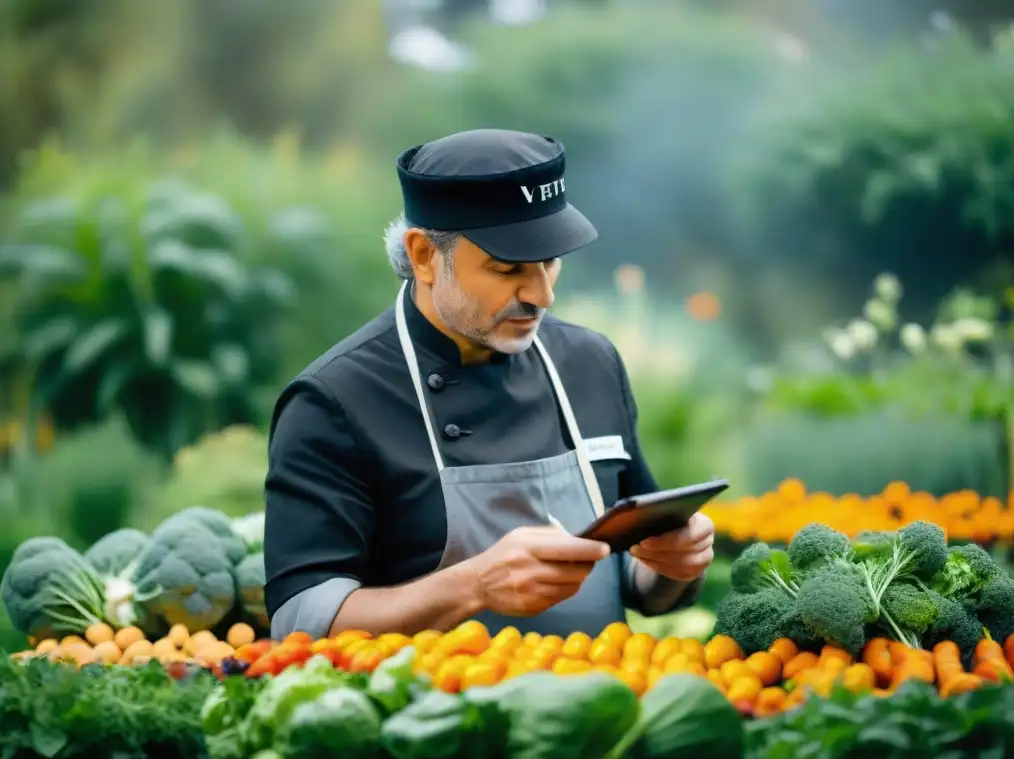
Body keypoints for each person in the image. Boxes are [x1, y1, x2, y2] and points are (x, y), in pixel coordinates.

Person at [263, 128, 715, 641]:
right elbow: (300, 621)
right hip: (429, 713)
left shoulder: (591, 362)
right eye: (507, 268)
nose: (541, 295)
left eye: (550, 262)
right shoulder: (333, 401)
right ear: (425, 257)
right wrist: (473, 587)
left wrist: (672, 566)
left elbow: (634, 577)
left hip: (604, 705)